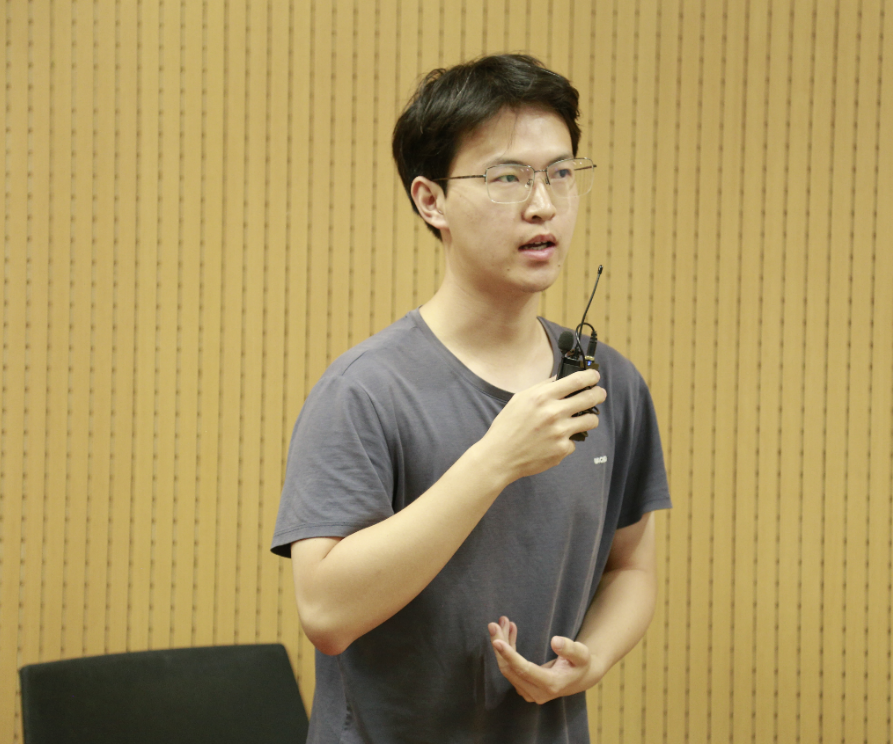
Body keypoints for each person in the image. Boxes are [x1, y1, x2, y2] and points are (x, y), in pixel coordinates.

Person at [271, 53, 670, 743]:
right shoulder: (364, 391)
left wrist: (592, 659)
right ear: (431, 200)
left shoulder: (608, 383)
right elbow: (327, 614)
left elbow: (631, 567)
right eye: (506, 177)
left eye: (560, 173)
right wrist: (496, 460)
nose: (543, 204)